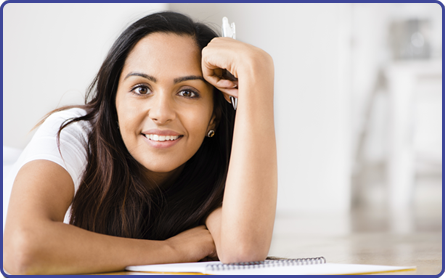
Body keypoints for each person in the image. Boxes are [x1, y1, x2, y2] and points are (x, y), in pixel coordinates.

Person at [3, 11, 277, 275]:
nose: (161, 113)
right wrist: (171, 250)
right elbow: (21, 251)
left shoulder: (213, 162)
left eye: (187, 92)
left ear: (213, 119)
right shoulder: (72, 133)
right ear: (113, 101)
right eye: (142, 89)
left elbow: (242, 250)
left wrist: (257, 73)